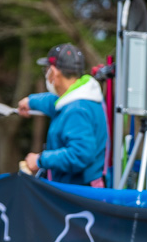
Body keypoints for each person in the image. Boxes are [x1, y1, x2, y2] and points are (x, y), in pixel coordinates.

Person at [17, 43, 107, 187]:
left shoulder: (77, 110)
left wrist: (40, 160)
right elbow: (53, 101)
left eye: (46, 69)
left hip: (79, 195)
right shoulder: (79, 97)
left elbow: (80, 155)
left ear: (53, 71)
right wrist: (30, 101)